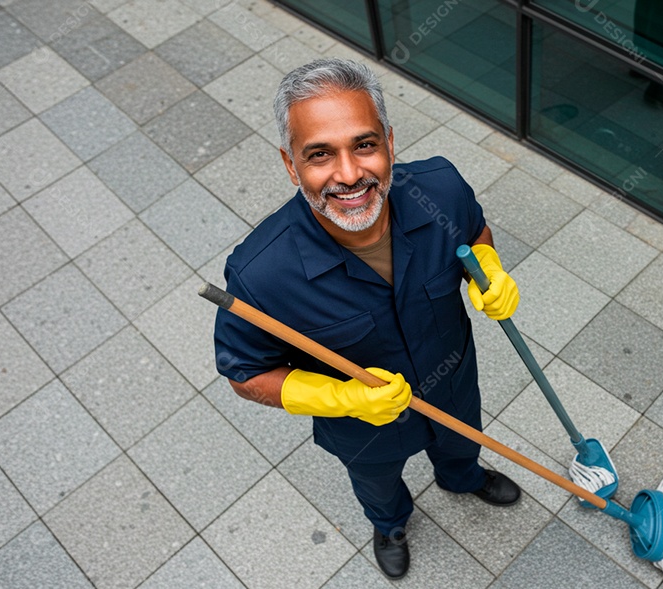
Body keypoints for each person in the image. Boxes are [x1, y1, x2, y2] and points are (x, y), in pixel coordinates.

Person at [211, 58, 523, 580]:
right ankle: (391, 524)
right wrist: (342, 398)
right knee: (377, 484)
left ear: (389, 143)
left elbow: (474, 230)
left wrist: (486, 268)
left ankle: (461, 477)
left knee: (462, 442)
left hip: (453, 381)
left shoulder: (441, 187)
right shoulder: (260, 274)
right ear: (291, 165)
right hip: (365, 431)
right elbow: (245, 375)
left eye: (364, 144)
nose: (350, 174)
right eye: (319, 155)